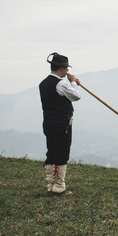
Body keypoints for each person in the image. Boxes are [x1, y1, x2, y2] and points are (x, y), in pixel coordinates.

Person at [39, 52, 81, 196]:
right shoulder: (61, 83)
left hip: (48, 122)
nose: (67, 71)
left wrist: (72, 83)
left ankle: (50, 185)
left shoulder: (43, 83)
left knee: (51, 152)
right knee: (62, 153)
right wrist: (74, 82)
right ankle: (59, 188)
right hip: (62, 124)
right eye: (66, 69)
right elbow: (76, 96)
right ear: (61, 68)